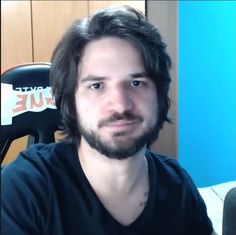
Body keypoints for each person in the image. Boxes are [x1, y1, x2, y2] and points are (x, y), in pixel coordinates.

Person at [1, 6, 215, 235]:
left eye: (136, 83)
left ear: (159, 96)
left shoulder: (177, 186)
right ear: (70, 101)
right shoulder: (24, 190)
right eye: (96, 86)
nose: (121, 105)